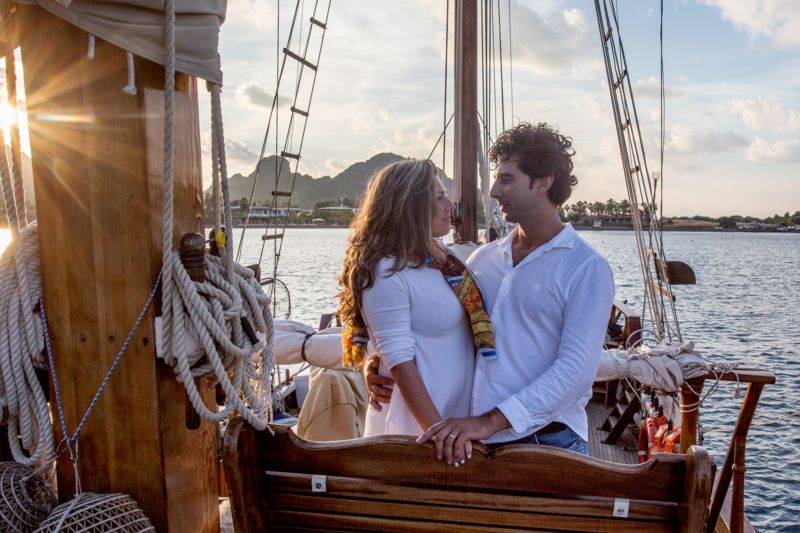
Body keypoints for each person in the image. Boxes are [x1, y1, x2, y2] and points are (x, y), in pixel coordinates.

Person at [366, 122, 614, 464]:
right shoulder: (483, 260)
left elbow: (574, 372)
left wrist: (489, 421)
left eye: (506, 179)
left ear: (543, 183)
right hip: (476, 442)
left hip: (547, 440)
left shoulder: (587, 268)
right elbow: (434, 320)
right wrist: (377, 360)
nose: (494, 190)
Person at [338, 159, 495, 438]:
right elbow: (398, 359)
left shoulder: (443, 261)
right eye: (439, 197)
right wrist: (437, 432)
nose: (450, 206)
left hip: (453, 423)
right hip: (414, 434)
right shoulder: (386, 271)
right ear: (410, 206)